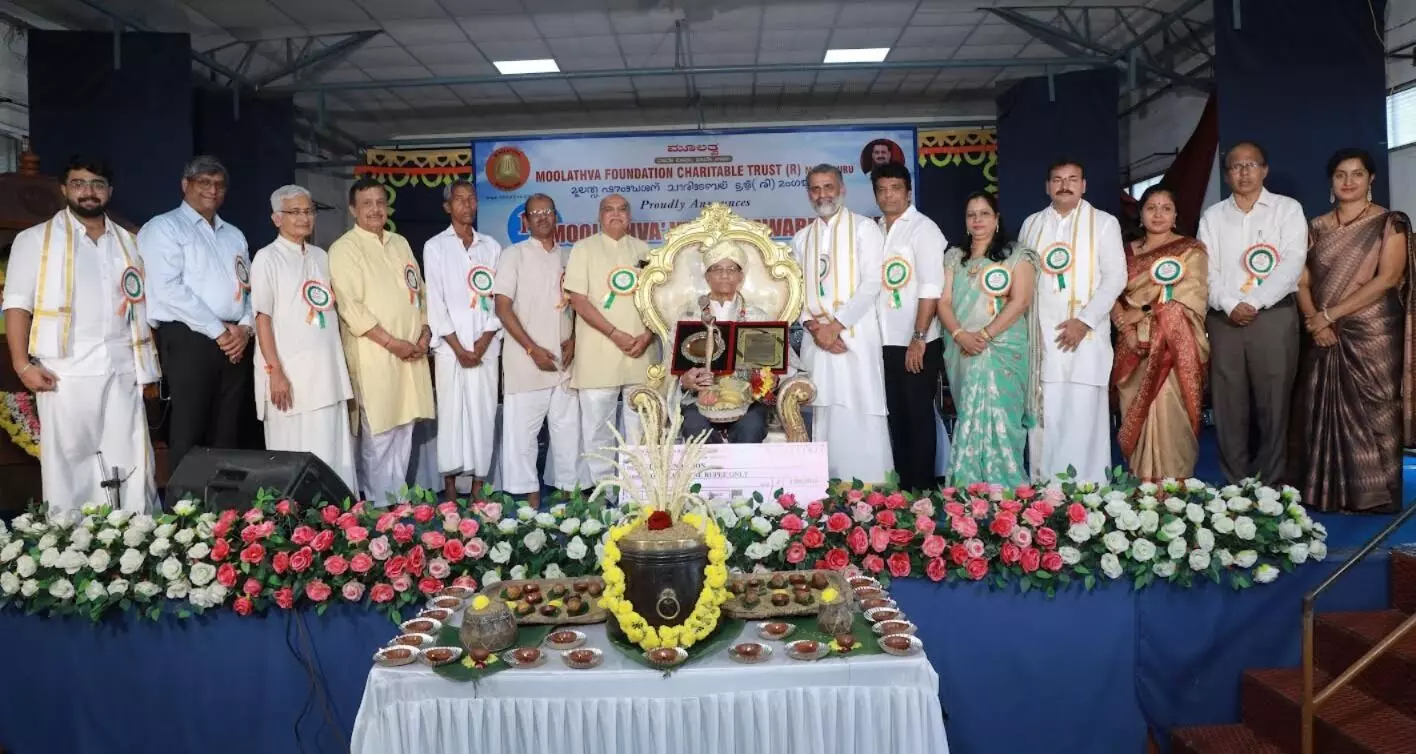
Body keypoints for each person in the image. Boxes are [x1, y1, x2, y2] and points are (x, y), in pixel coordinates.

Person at [2, 156, 160, 513]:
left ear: (109, 191)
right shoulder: (35, 240)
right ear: (64, 189)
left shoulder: (131, 242)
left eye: (97, 184)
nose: (88, 191)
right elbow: (16, 305)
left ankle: (135, 531)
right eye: (79, 183)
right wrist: (22, 365)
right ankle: (70, 535)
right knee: (69, 461)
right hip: (64, 369)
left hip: (122, 365)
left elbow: (145, 306)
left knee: (130, 457)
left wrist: (148, 367)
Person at [1291, 148, 1415, 512]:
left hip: (1374, 332)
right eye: (1340, 175)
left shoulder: (1390, 223)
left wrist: (1329, 314)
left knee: (1378, 409)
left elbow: (1388, 278)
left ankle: (1377, 497)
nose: (1348, 182)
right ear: (1331, 181)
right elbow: (1301, 282)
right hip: (1322, 332)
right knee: (1322, 409)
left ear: (1370, 179)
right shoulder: (1315, 227)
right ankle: (1328, 493)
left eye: (1357, 174)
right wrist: (1315, 321)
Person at [137, 155, 252, 477]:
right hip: (190, 338)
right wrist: (219, 331)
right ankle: (186, 505)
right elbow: (168, 289)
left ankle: (224, 503)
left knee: (228, 429)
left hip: (235, 341)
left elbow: (248, 287)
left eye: (219, 185)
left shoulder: (234, 234)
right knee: (191, 427)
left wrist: (245, 328)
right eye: (204, 183)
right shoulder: (164, 227)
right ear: (185, 184)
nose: (212, 190)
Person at [1199, 141, 1307, 485]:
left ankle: (1270, 487)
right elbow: (1206, 269)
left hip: (1273, 316)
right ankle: (1234, 486)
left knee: (1274, 403)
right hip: (1224, 319)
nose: (1244, 172)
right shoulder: (1213, 216)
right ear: (1226, 175)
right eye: (1236, 166)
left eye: (1251, 165)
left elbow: (1293, 262)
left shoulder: (1287, 210)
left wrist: (1255, 302)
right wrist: (1231, 304)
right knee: (1228, 406)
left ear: (1265, 170)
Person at [328, 178, 435, 505]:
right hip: (375, 354)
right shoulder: (344, 249)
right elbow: (350, 307)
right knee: (380, 433)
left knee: (405, 429)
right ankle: (378, 507)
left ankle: (397, 503)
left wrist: (425, 331)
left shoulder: (399, 242)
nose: (375, 209)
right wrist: (392, 343)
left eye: (379, 202)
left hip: (411, 353)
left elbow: (419, 291)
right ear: (353, 209)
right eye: (367, 204)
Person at [1019, 159, 1126, 484]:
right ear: (1047, 186)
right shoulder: (1032, 224)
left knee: (1083, 414)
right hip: (1042, 338)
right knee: (1046, 415)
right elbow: (1022, 280)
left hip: (1086, 339)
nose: (1064, 185)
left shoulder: (1104, 223)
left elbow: (1116, 278)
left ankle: (1089, 489)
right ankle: (1046, 490)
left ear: (1084, 185)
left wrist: (1084, 322)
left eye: (1072, 179)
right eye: (1057, 179)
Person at [249, 185, 357, 495]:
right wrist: (275, 371)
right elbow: (262, 318)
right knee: (296, 453)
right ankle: (299, 517)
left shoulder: (321, 256)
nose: (304, 218)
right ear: (276, 218)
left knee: (333, 450)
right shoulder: (267, 258)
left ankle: (339, 513)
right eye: (295, 212)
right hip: (290, 376)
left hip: (327, 373)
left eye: (309, 211)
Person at [792, 163, 893, 484]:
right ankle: (826, 484)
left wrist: (834, 327)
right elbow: (794, 293)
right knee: (824, 408)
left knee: (861, 406)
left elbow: (872, 283)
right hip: (816, 341)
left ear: (842, 189)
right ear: (808, 194)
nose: (822, 194)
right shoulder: (801, 238)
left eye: (828, 187)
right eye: (815, 188)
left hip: (856, 334)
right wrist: (813, 328)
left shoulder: (865, 229)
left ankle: (873, 487)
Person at [1109, 185, 1209, 481]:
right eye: (1151, 208)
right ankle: (1141, 482)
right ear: (1140, 214)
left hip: (1173, 347)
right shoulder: (1123, 252)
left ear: (1176, 216)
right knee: (1134, 409)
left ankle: (1174, 484)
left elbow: (1191, 297)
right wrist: (1126, 328)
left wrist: (1144, 312)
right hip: (1131, 345)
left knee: (1169, 407)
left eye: (1166, 208)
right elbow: (1110, 293)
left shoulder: (1190, 250)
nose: (1158, 214)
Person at [937, 192, 1036, 487]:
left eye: (984, 214)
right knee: (970, 414)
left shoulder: (1017, 255)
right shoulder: (954, 258)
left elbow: (1020, 301)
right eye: (972, 215)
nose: (977, 220)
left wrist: (983, 335)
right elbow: (943, 302)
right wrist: (960, 335)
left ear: (996, 219)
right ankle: (969, 489)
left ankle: (1007, 488)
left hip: (1003, 348)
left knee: (1003, 420)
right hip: (963, 348)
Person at [494, 194, 581, 505]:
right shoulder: (513, 255)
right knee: (522, 437)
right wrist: (532, 349)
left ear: (556, 216)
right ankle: (527, 503)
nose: (543, 217)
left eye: (548, 211)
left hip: (564, 363)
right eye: (536, 213)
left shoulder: (570, 256)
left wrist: (576, 340)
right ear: (526, 221)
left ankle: (570, 500)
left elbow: (581, 306)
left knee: (568, 434)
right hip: (526, 362)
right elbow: (502, 307)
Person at [564, 193, 653, 483]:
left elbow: (657, 300)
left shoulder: (645, 250)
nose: (616, 214)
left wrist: (648, 335)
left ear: (630, 216)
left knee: (640, 428)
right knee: (597, 429)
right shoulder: (583, 249)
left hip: (640, 353)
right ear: (599, 216)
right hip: (598, 354)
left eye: (622, 209)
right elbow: (578, 301)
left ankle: (637, 491)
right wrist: (615, 334)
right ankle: (603, 491)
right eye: (609, 209)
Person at [424, 180, 502, 502]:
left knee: (483, 414)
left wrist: (483, 342)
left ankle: (479, 488)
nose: (467, 205)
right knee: (452, 416)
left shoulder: (491, 247)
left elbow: (498, 300)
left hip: (486, 347)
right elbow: (435, 301)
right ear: (448, 207)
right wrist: (459, 348)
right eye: (459, 200)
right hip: (450, 350)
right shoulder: (435, 247)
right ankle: (452, 489)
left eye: (471, 199)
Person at [675, 241, 797, 444]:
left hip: (748, 400)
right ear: (707, 276)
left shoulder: (758, 317)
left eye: (731, 269)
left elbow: (784, 365)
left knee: (751, 426)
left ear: (741, 276)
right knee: (695, 426)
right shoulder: (689, 317)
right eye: (717, 269)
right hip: (700, 399)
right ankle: (710, 467)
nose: (724, 275)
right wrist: (685, 381)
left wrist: (769, 380)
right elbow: (672, 368)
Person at [871, 162, 945, 491]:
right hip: (882, 342)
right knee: (895, 417)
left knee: (918, 417)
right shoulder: (874, 230)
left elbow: (931, 287)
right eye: (882, 190)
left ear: (908, 192)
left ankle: (924, 491)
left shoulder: (923, 229)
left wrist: (918, 337)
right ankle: (902, 492)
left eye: (895, 189)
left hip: (916, 341)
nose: (889, 196)